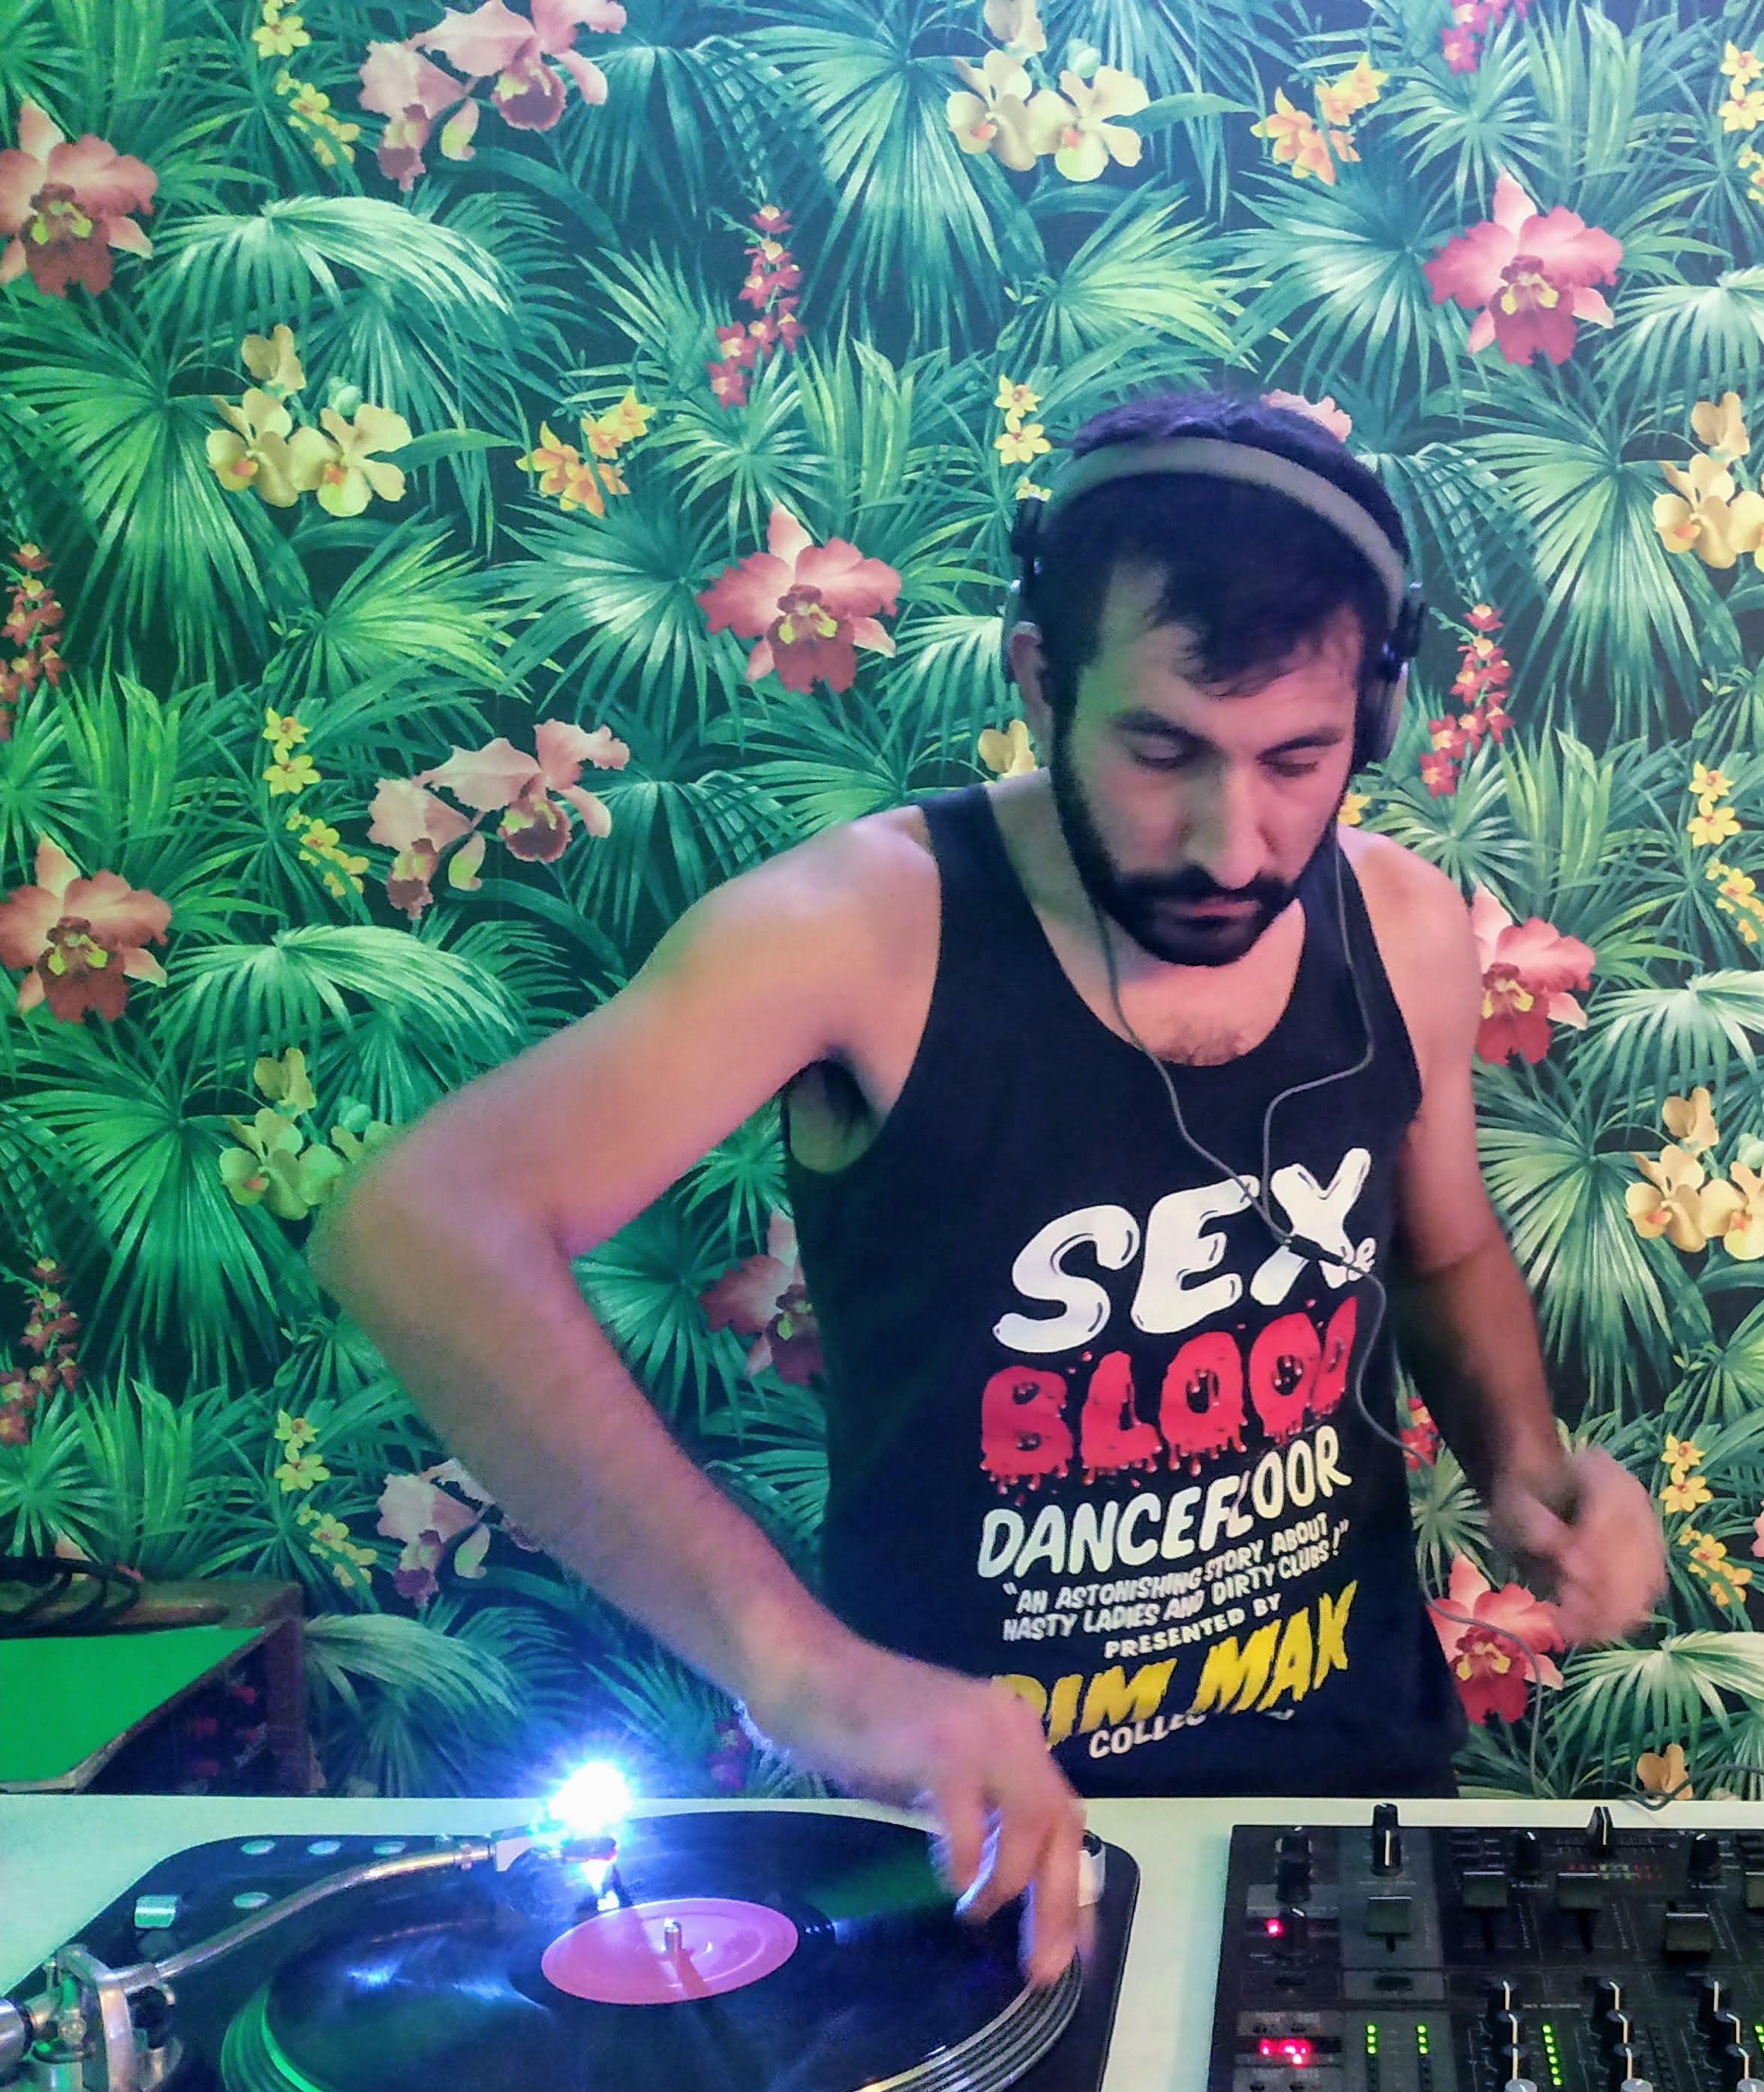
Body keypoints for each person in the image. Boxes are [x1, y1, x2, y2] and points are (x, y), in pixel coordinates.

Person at [309, 390, 1667, 1984]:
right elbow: (418, 1228)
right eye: (1161, 750)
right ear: (1039, 683)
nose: (1233, 842)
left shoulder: (1406, 925)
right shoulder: (855, 928)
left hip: (1346, 1787)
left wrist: (1523, 1465)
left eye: (1298, 761)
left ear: (1366, 725)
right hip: (972, 1839)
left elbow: (1436, 1251)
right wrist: (798, 1672)